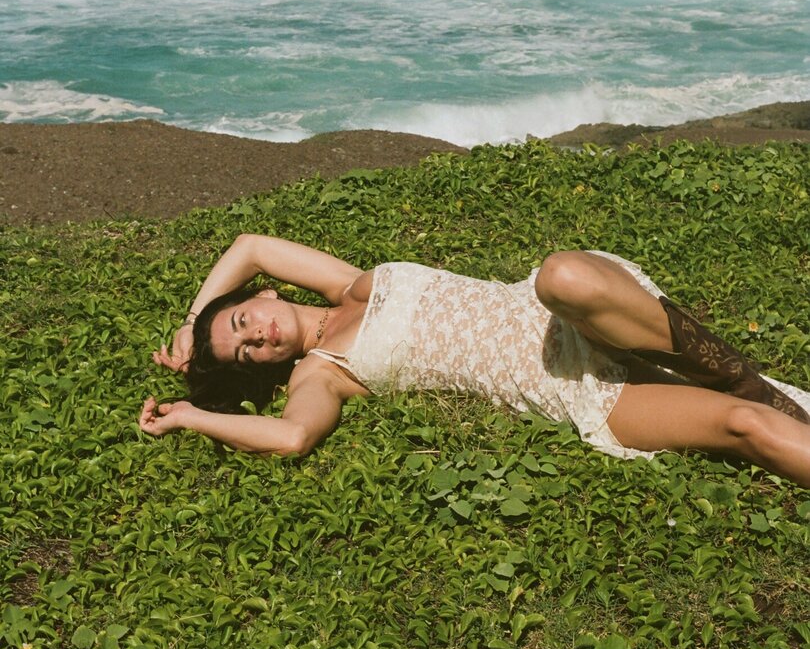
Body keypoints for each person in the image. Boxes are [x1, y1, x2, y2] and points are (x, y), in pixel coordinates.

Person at [140, 234, 810, 487]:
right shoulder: (324, 373)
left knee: (562, 275)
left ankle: (735, 375)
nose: (257, 337)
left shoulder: (351, 284)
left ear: (261, 295)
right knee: (750, 427)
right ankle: (745, 389)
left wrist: (191, 322)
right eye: (247, 352)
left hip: (566, 313)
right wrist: (191, 416)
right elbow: (291, 436)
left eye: (242, 321)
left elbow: (250, 245)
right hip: (568, 387)